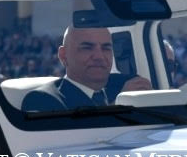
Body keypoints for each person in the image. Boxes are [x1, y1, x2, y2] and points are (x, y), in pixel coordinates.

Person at [21, 26, 152, 112]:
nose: (99, 56)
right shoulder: (42, 100)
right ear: (63, 55)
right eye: (87, 47)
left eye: (106, 48)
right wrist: (117, 107)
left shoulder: (124, 85)